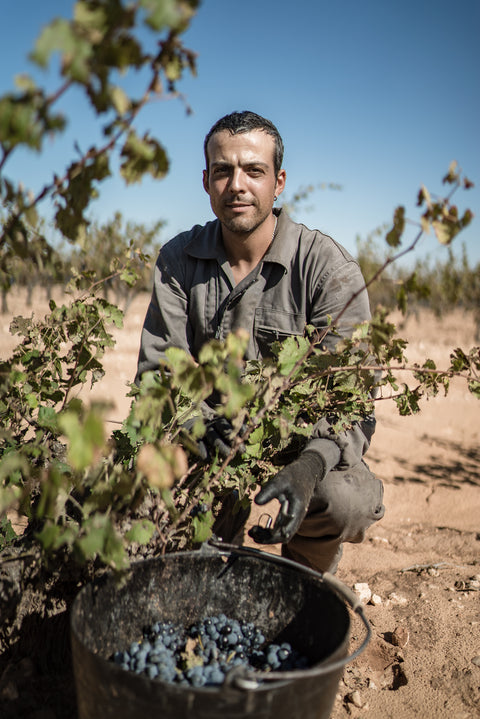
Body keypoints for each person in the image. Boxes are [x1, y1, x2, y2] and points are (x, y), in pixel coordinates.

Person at [136, 110, 384, 574]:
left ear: (279, 181)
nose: (237, 185)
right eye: (223, 171)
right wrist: (193, 425)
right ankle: (210, 556)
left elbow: (352, 400)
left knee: (342, 498)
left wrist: (311, 466)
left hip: (303, 442)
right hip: (210, 436)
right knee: (153, 475)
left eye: (254, 170)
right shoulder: (177, 261)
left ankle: (308, 577)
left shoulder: (328, 269)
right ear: (206, 181)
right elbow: (158, 373)